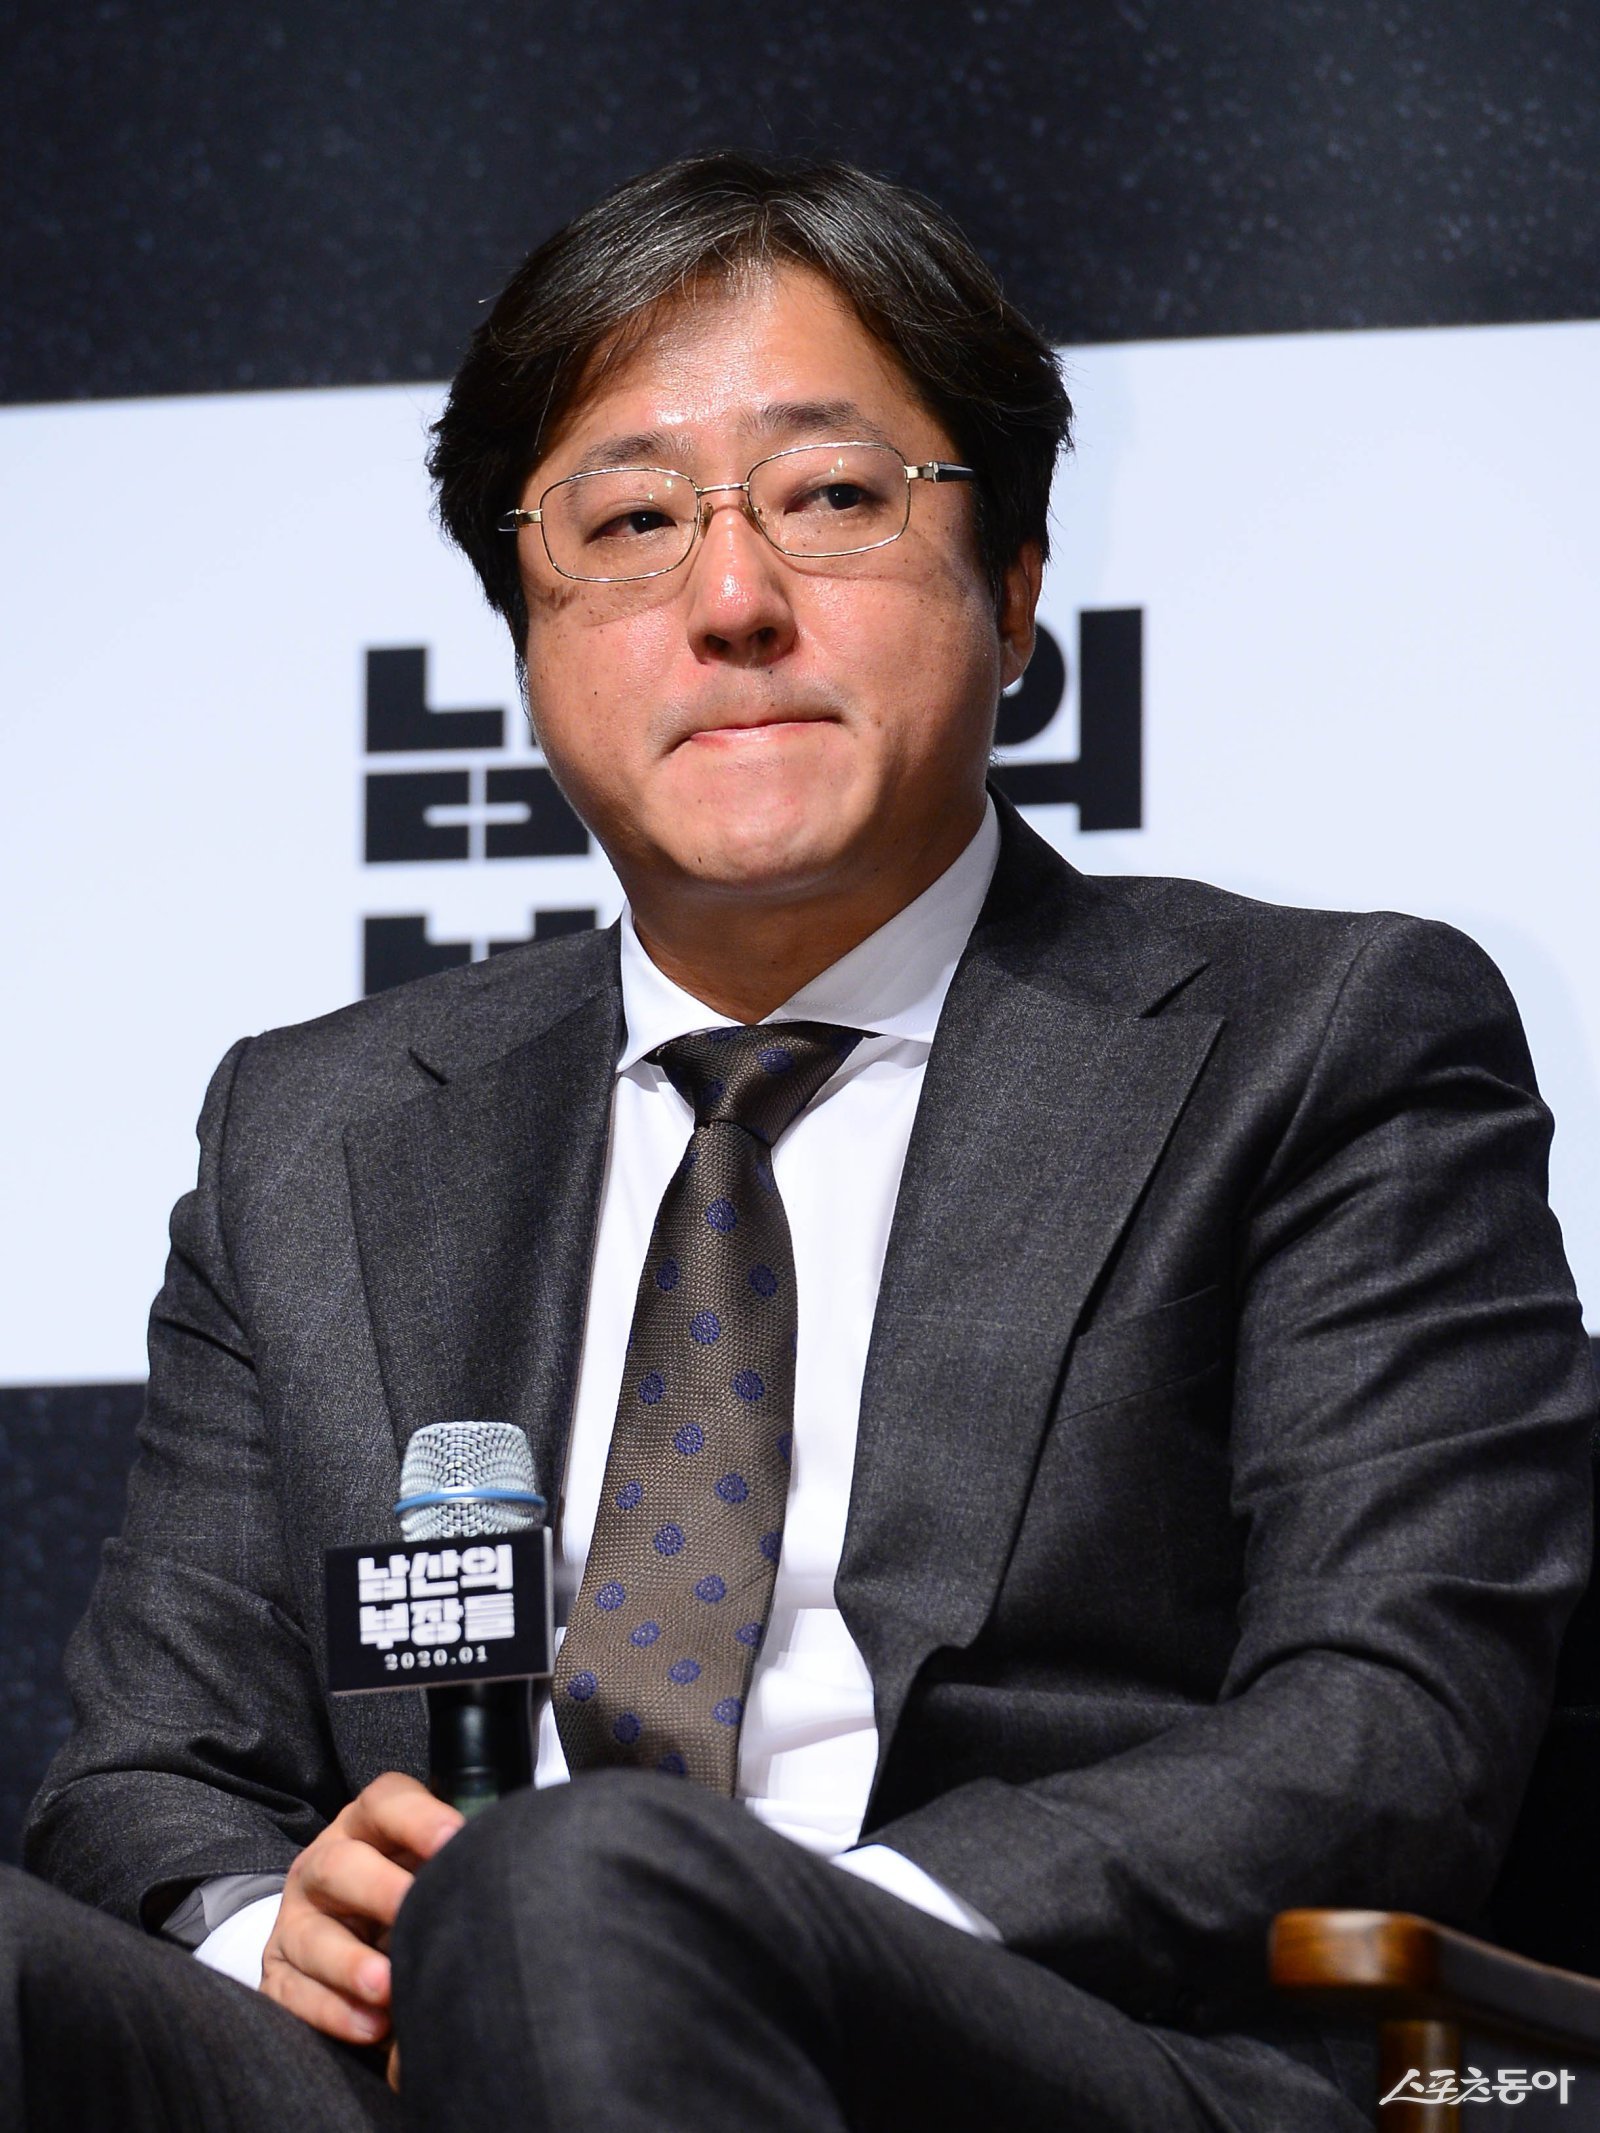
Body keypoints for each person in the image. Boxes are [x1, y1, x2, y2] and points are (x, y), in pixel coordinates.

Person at [7, 152, 1594, 2132]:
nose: (732, 601)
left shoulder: (1321, 1041)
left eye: (833, 498)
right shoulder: (314, 1130)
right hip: (416, 2058)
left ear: (1013, 590)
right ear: (524, 638)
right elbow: (145, 1776)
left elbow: (1386, 1723)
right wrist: (275, 1932)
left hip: (1043, 2041)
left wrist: (773, 1925)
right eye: (629, 523)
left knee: (587, 1885)